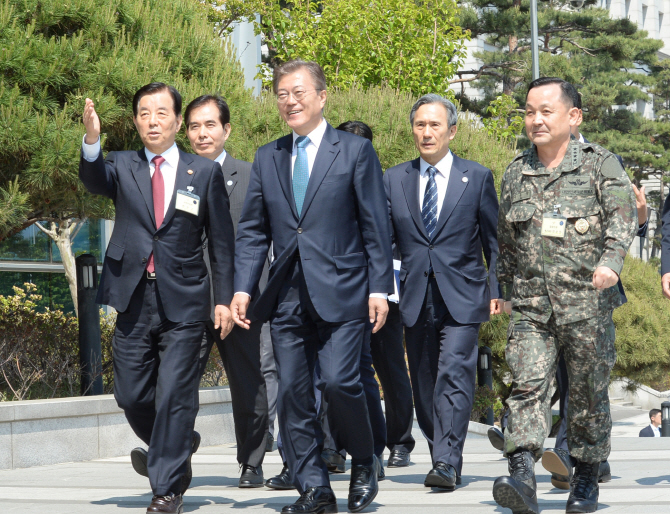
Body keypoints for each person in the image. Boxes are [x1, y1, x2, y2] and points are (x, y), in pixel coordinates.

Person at [230, 59, 394, 514]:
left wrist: (379, 287)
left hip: (344, 291)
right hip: (286, 296)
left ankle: (363, 459)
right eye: (282, 93)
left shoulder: (354, 152)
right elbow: (253, 232)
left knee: (342, 382)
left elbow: (374, 225)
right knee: (293, 395)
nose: (290, 101)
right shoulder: (268, 156)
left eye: (299, 92)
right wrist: (243, 288)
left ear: (322, 97)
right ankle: (314, 489)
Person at [79, 83, 236, 514]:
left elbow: (222, 244)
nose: (152, 120)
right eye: (144, 113)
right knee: (130, 395)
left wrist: (223, 300)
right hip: (131, 296)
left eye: (161, 113)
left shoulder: (202, 173)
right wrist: (92, 140)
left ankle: (165, 489)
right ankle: (179, 441)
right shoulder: (123, 165)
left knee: (175, 396)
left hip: (186, 301)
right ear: (135, 121)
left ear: (177, 121)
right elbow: (93, 180)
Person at [494, 77, 636, 514]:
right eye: (529, 111)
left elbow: (622, 217)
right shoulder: (517, 172)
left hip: (587, 307)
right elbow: (507, 241)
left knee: (589, 397)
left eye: (545, 111)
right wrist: (502, 292)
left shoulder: (600, 164)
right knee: (525, 387)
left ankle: (587, 479)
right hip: (533, 308)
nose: (535, 120)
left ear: (573, 117)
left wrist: (611, 263)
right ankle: (521, 478)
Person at [384, 94, 502, 491]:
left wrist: (497, 288)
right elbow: (383, 241)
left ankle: (448, 461)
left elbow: (494, 241)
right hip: (414, 296)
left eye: (435, 125)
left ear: (452, 130)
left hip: (464, 295)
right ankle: (441, 452)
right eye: (420, 125)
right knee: (424, 381)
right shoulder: (393, 178)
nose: (427, 132)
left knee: (454, 374)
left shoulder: (477, 176)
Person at [184, 94, 271, 487]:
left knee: (249, 384)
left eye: (209, 125)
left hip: (240, 299)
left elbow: (262, 240)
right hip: (188, 298)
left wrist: (248, 292)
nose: (202, 134)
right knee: (176, 383)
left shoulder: (252, 176)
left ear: (226, 129)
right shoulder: (177, 175)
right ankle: (176, 449)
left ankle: (252, 461)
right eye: (194, 127)